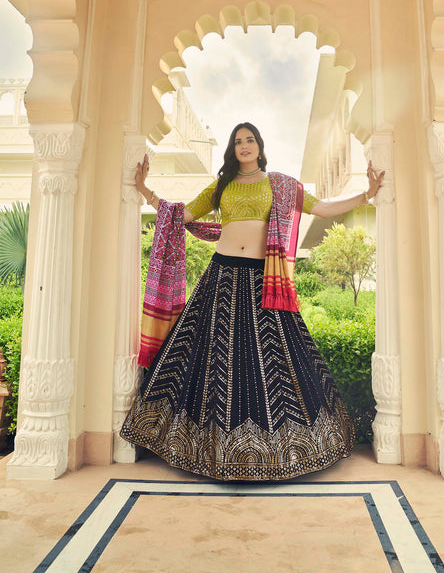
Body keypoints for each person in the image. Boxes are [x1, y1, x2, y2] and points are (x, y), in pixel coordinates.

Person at [120, 122, 384, 481]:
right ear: (233, 149)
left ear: (260, 146)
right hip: (221, 276)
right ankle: (202, 447)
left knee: (278, 362)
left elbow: (321, 208)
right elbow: (183, 216)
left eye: (250, 140)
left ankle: (286, 449)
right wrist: (145, 191)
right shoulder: (222, 185)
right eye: (238, 141)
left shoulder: (282, 184)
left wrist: (366, 194)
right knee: (209, 361)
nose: (244, 146)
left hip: (264, 281)